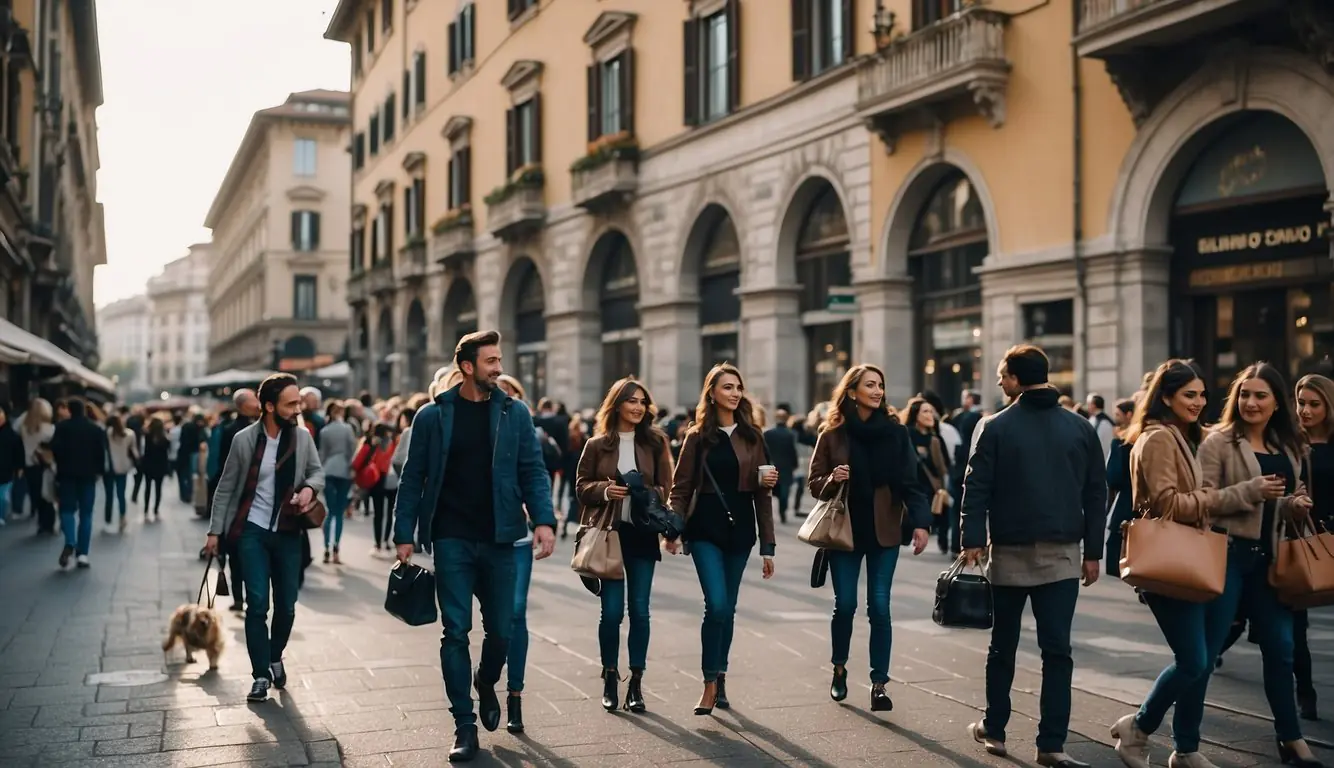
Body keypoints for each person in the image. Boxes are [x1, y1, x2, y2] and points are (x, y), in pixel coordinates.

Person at [391, 330, 556, 763]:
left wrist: (543, 520)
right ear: (467, 366)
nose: (499, 368)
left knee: (502, 629)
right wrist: (403, 533)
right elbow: (412, 477)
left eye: (499, 360)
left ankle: (486, 680)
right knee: (455, 631)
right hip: (451, 537)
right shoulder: (433, 416)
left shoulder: (513, 412)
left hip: (502, 536)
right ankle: (464, 725)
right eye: (491, 361)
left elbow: (532, 470)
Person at [1110, 360, 1284, 768]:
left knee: (1199, 661)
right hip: (1168, 563)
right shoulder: (1156, 439)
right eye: (1189, 394)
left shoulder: (1191, 437)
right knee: (1194, 660)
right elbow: (1168, 504)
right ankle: (1137, 728)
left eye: (1203, 394)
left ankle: (1186, 748)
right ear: (1166, 397)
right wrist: (1221, 495)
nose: (1199, 402)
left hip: (1196, 559)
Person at [960, 345, 1107, 768]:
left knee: (1001, 647)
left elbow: (976, 489)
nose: (999, 382)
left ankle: (996, 729)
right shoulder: (1080, 428)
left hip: (1006, 551)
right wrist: (1093, 552)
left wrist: (972, 538)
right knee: (1057, 651)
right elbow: (1096, 493)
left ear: (1017, 379)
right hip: (1063, 554)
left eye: (1002, 375)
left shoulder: (994, 426)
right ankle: (1051, 744)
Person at [1194, 363, 1319, 767]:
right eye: (1244, 394)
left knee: (1281, 649)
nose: (1250, 402)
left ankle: (1292, 739)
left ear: (1276, 403)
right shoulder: (1218, 442)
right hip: (1227, 557)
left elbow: (1285, 498)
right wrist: (1251, 490)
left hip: (1271, 559)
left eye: (1260, 395)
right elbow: (1204, 500)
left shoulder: (1290, 446)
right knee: (1204, 651)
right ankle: (1182, 742)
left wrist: (1293, 505)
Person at [807, 364, 931, 711]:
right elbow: (815, 484)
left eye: (881, 385)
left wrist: (921, 523)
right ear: (851, 391)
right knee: (844, 605)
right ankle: (839, 668)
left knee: (879, 606)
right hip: (844, 532)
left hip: (884, 531)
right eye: (870, 385)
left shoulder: (895, 433)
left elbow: (912, 482)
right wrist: (833, 477)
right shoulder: (831, 434)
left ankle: (879, 683)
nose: (877, 391)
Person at [204, 373, 325, 704]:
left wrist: (308, 489)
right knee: (257, 604)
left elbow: (317, 472)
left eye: (298, 401)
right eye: (291, 403)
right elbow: (226, 487)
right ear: (269, 406)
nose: (298, 408)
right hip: (252, 531)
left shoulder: (301, 438)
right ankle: (259, 674)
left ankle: (275, 656)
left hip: (288, 531)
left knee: (286, 605)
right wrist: (215, 531)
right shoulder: (244, 440)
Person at [668, 363, 778, 716]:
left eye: (737, 387)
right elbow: (680, 487)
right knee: (715, 605)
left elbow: (763, 494)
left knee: (727, 609)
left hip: (740, 529)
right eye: (727, 387)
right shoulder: (697, 436)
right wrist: (673, 527)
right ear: (711, 393)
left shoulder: (753, 437)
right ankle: (709, 682)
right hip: (704, 528)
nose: (734, 393)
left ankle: (722, 674)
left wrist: (768, 545)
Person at [576, 377, 674, 715]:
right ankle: (609, 674)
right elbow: (580, 487)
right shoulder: (597, 444)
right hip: (609, 535)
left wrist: (645, 494)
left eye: (642, 402)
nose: (637, 407)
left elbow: (667, 488)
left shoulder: (657, 442)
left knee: (640, 611)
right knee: (612, 613)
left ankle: (635, 680)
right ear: (616, 404)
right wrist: (605, 490)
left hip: (643, 535)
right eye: (631, 401)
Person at [1293, 373, 1332, 722]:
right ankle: (1305, 692)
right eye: (1301, 402)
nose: (1305, 410)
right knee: (1297, 624)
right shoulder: (1293, 443)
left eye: (1314, 404)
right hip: (1304, 538)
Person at [50, 398, 109, 569]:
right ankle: (83, 554)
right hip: (88, 476)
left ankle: (70, 541)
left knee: (66, 510)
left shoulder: (61, 428)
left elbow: (55, 449)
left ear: (69, 410)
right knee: (86, 514)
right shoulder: (95, 429)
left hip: (67, 475)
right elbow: (101, 453)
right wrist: (98, 472)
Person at [319, 400, 356, 564]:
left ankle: (326, 547)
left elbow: (322, 453)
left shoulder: (325, 430)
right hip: (344, 471)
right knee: (339, 513)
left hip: (328, 470)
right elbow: (352, 450)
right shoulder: (347, 429)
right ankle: (336, 548)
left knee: (329, 511)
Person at [18, 399, 55, 532]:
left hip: (29, 464)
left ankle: (40, 521)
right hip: (44, 465)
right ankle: (48, 522)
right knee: (47, 494)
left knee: (35, 493)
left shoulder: (24, 427)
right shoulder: (49, 429)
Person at [762, 406, 799, 524]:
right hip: (786, 468)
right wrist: (794, 464)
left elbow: (764, 451)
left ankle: (766, 515)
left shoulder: (768, 433)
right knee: (784, 494)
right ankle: (783, 512)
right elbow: (793, 451)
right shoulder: (790, 434)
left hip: (771, 467)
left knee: (769, 493)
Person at [104, 415, 138, 533]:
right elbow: (134, 452)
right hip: (123, 467)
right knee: (121, 494)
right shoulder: (129, 434)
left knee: (109, 495)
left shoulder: (107, 433)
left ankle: (107, 518)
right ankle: (122, 517)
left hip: (109, 468)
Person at [0, 405, 24, 526]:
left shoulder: (12, 435)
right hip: (6, 468)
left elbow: (18, 452)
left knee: (3, 496)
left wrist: (19, 467)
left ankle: (1, 514)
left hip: (6, 469)